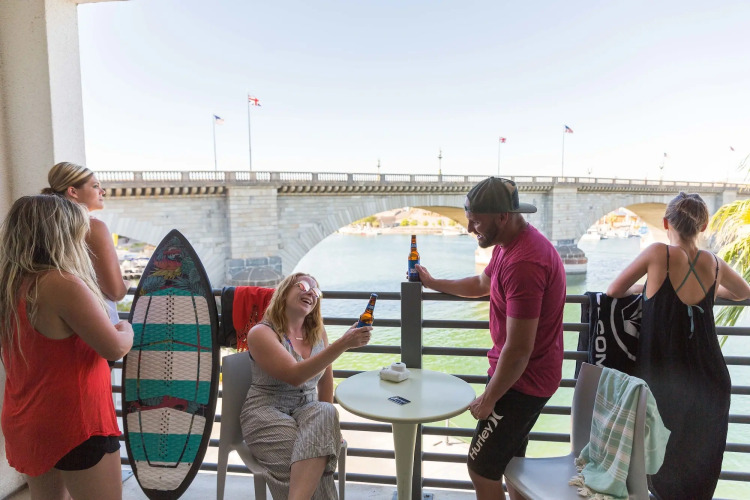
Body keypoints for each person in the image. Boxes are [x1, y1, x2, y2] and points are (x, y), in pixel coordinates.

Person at [415, 177, 566, 500]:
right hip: (520, 376)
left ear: (502, 217)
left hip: (522, 382)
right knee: (511, 465)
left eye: (476, 221)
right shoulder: (508, 245)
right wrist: (434, 283)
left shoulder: (525, 262)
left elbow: (519, 349)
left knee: (481, 468)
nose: (470, 228)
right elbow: (482, 284)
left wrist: (489, 399)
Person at [607, 192, 750, 500]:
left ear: (665, 223)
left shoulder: (658, 254)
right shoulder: (713, 263)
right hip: (710, 378)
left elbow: (614, 289)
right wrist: (712, 292)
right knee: (698, 465)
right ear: (703, 226)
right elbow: (743, 292)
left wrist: (647, 288)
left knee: (660, 462)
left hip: (665, 379)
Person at [0, 195, 134, 500]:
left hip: (28, 419)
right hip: (77, 422)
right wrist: (126, 328)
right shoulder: (61, 284)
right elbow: (114, 348)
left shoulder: (10, 284)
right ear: (63, 234)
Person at [240, 272, 372, 500]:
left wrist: (331, 428)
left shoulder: (318, 333)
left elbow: (326, 380)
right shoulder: (261, 333)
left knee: (327, 411)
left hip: (308, 410)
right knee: (308, 461)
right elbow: (295, 375)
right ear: (284, 292)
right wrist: (344, 343)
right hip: (266, 410)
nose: (311, 292)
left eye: (316, 291)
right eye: (303, 285)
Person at [42, 162, 127, 324]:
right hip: (93, 326)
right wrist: (126, 284)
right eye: (95, 186)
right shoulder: (93, 227)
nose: (102, 191)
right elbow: (116, 292)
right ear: (73, 191)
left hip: (53, 322)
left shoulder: (46, 226)